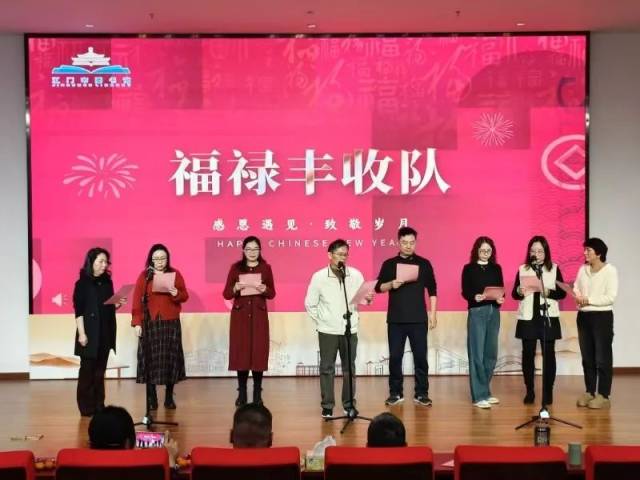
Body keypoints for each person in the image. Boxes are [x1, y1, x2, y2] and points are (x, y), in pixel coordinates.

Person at [304, 239, 371, 418]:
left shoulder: (355, 275)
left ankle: (349, 405)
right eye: (339, 254)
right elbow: (310, 304)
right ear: (330, 255)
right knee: (327, 368)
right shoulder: (319, 277)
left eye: (345, 254)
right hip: (328, 331)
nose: (343, 257)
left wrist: (367, 299)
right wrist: (322, 321)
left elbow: (361, 299)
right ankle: (327, 406)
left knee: (350, 368)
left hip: (350, 329)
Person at [375, 227, 437, 407]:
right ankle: (395, 393)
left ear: (415, 243)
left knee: (421, 357)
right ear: (398, 242)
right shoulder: (389, 264)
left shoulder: (424, 263)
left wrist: (433, 314)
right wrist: (391, 284)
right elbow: (378, 287)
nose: (408, 246)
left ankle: (421, 393)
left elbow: (432, 290)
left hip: (418, 319)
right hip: (396, 320)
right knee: (395, 357)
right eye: (404, 242)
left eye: (412, 242)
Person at [132, 244, 188, 410]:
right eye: (156, 258)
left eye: (163, 258)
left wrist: (175, 293)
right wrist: (137, 322)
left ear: (167, 259)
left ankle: (169, 397)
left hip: (170, 322)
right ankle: (152, 397)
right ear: (151, 259)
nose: (160, 261)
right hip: (150, 323)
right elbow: (137, 301)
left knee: (170, 358)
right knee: (151, 359)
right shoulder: (145, 276)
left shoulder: (175, 274)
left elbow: (184, 295)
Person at [511, 235, 566, 406]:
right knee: (527, 355)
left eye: (540, 251)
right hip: (528, 318)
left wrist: (548, 292)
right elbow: (514, 294)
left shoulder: (554, 269)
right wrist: (519, 291)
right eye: (533, 251)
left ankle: (548, 391)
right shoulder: (522, 269)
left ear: (546, 252)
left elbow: (562, 293)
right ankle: (530, 391)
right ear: (529, 252)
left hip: (548, 317)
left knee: (549, 355)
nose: (536, 254)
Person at [223, 236, 276, 407]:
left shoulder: (266, 268)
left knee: (258, 353)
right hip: (240, 316)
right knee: (242, 354)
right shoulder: (236, 268)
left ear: (260, 250)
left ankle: (257, 394)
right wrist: (235, 288)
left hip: (259, 316)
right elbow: (226, 294)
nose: (252, 252)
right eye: (249, 249)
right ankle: (242, 393)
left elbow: (272, 293)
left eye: (255, 249)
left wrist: (265, 289)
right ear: (243, 251)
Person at [73, 247, 125, 417]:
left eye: (106, 262)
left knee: (100, 372)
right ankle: (86, 408)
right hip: (88, 334)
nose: (104, 265)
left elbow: (107, 308)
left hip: (105, 332)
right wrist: (82, 333)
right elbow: (79, 312)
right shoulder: (82, 284)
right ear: (91, 262)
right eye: (101, 261)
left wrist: (117, 304)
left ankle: (99, 405)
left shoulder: (107, 282)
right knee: (87, 372)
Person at [574, 237, 618, 409]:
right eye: (585, 249)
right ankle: (590, 391)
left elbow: (610, 297)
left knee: (603, 357)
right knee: (587, 357)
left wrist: (588, 300)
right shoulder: (582, 269)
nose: (585, 253)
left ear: (599, 253)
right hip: (583, 316)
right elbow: (576, 287)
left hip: (602, 317)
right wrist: (577, 295)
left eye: (588, 250)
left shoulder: (610, 271)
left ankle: (604, 395)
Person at [461, 236, 504, 409]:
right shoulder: (469, 268)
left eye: (488, 250)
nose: (486, 253)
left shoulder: (496, 268)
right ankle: (478, 396)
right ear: (476, 251)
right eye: (482, 250)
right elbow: (465, 291)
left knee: (491, 354)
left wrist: (501, 298)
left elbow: (501, 289)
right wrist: (474, 297)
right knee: (476, 354)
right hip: (477, 312)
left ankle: (485, 391)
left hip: (494, 312)